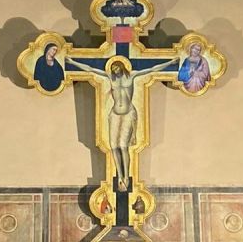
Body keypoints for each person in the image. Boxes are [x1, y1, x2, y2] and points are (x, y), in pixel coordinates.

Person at [65, 57, 178, 192]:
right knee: (113, 146)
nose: (114, 71)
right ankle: (119, 175)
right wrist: (72, 63)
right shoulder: (110, 77)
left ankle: (126, 176)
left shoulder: (132, 76)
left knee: (123, 146)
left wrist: (170, 63)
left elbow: (151, 69)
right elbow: (90, 69)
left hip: (128, 114)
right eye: (112, 69)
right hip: (114, 114)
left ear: (121, 67)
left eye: (116, 68)